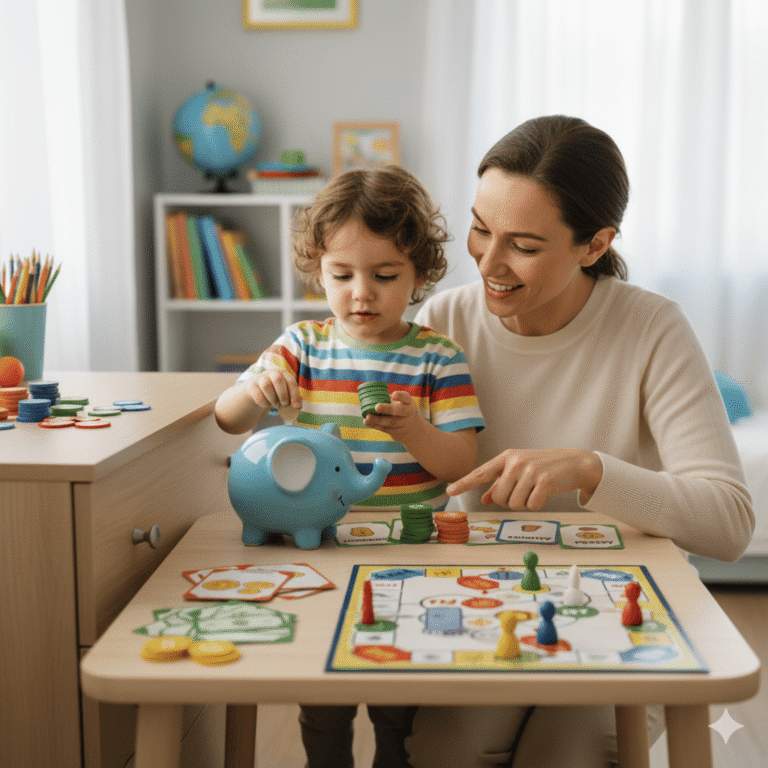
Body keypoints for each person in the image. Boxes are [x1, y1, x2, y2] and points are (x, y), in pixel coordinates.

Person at [403, 115, 754, 768]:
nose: (488, 260)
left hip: (621, 610)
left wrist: (594, 471)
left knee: (563, 754)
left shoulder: (652, 329)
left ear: (595, 244)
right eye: (481, 228)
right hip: (483, 602)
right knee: (446, 748)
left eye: (524, 246)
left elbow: (730, 523)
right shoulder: (443, 321)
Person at [214, 165, 486, 768]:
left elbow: (461, 460)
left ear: (419, 274)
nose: (361, 292)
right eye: (341, 275)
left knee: (400, 703)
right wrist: (257, 391)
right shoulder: (302, 345)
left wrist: (414, 428)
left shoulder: (437, 357)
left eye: (385, 276)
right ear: (318, 271)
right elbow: (226, 419)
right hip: (321, 552)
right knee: (324, 697)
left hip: (410, 554)